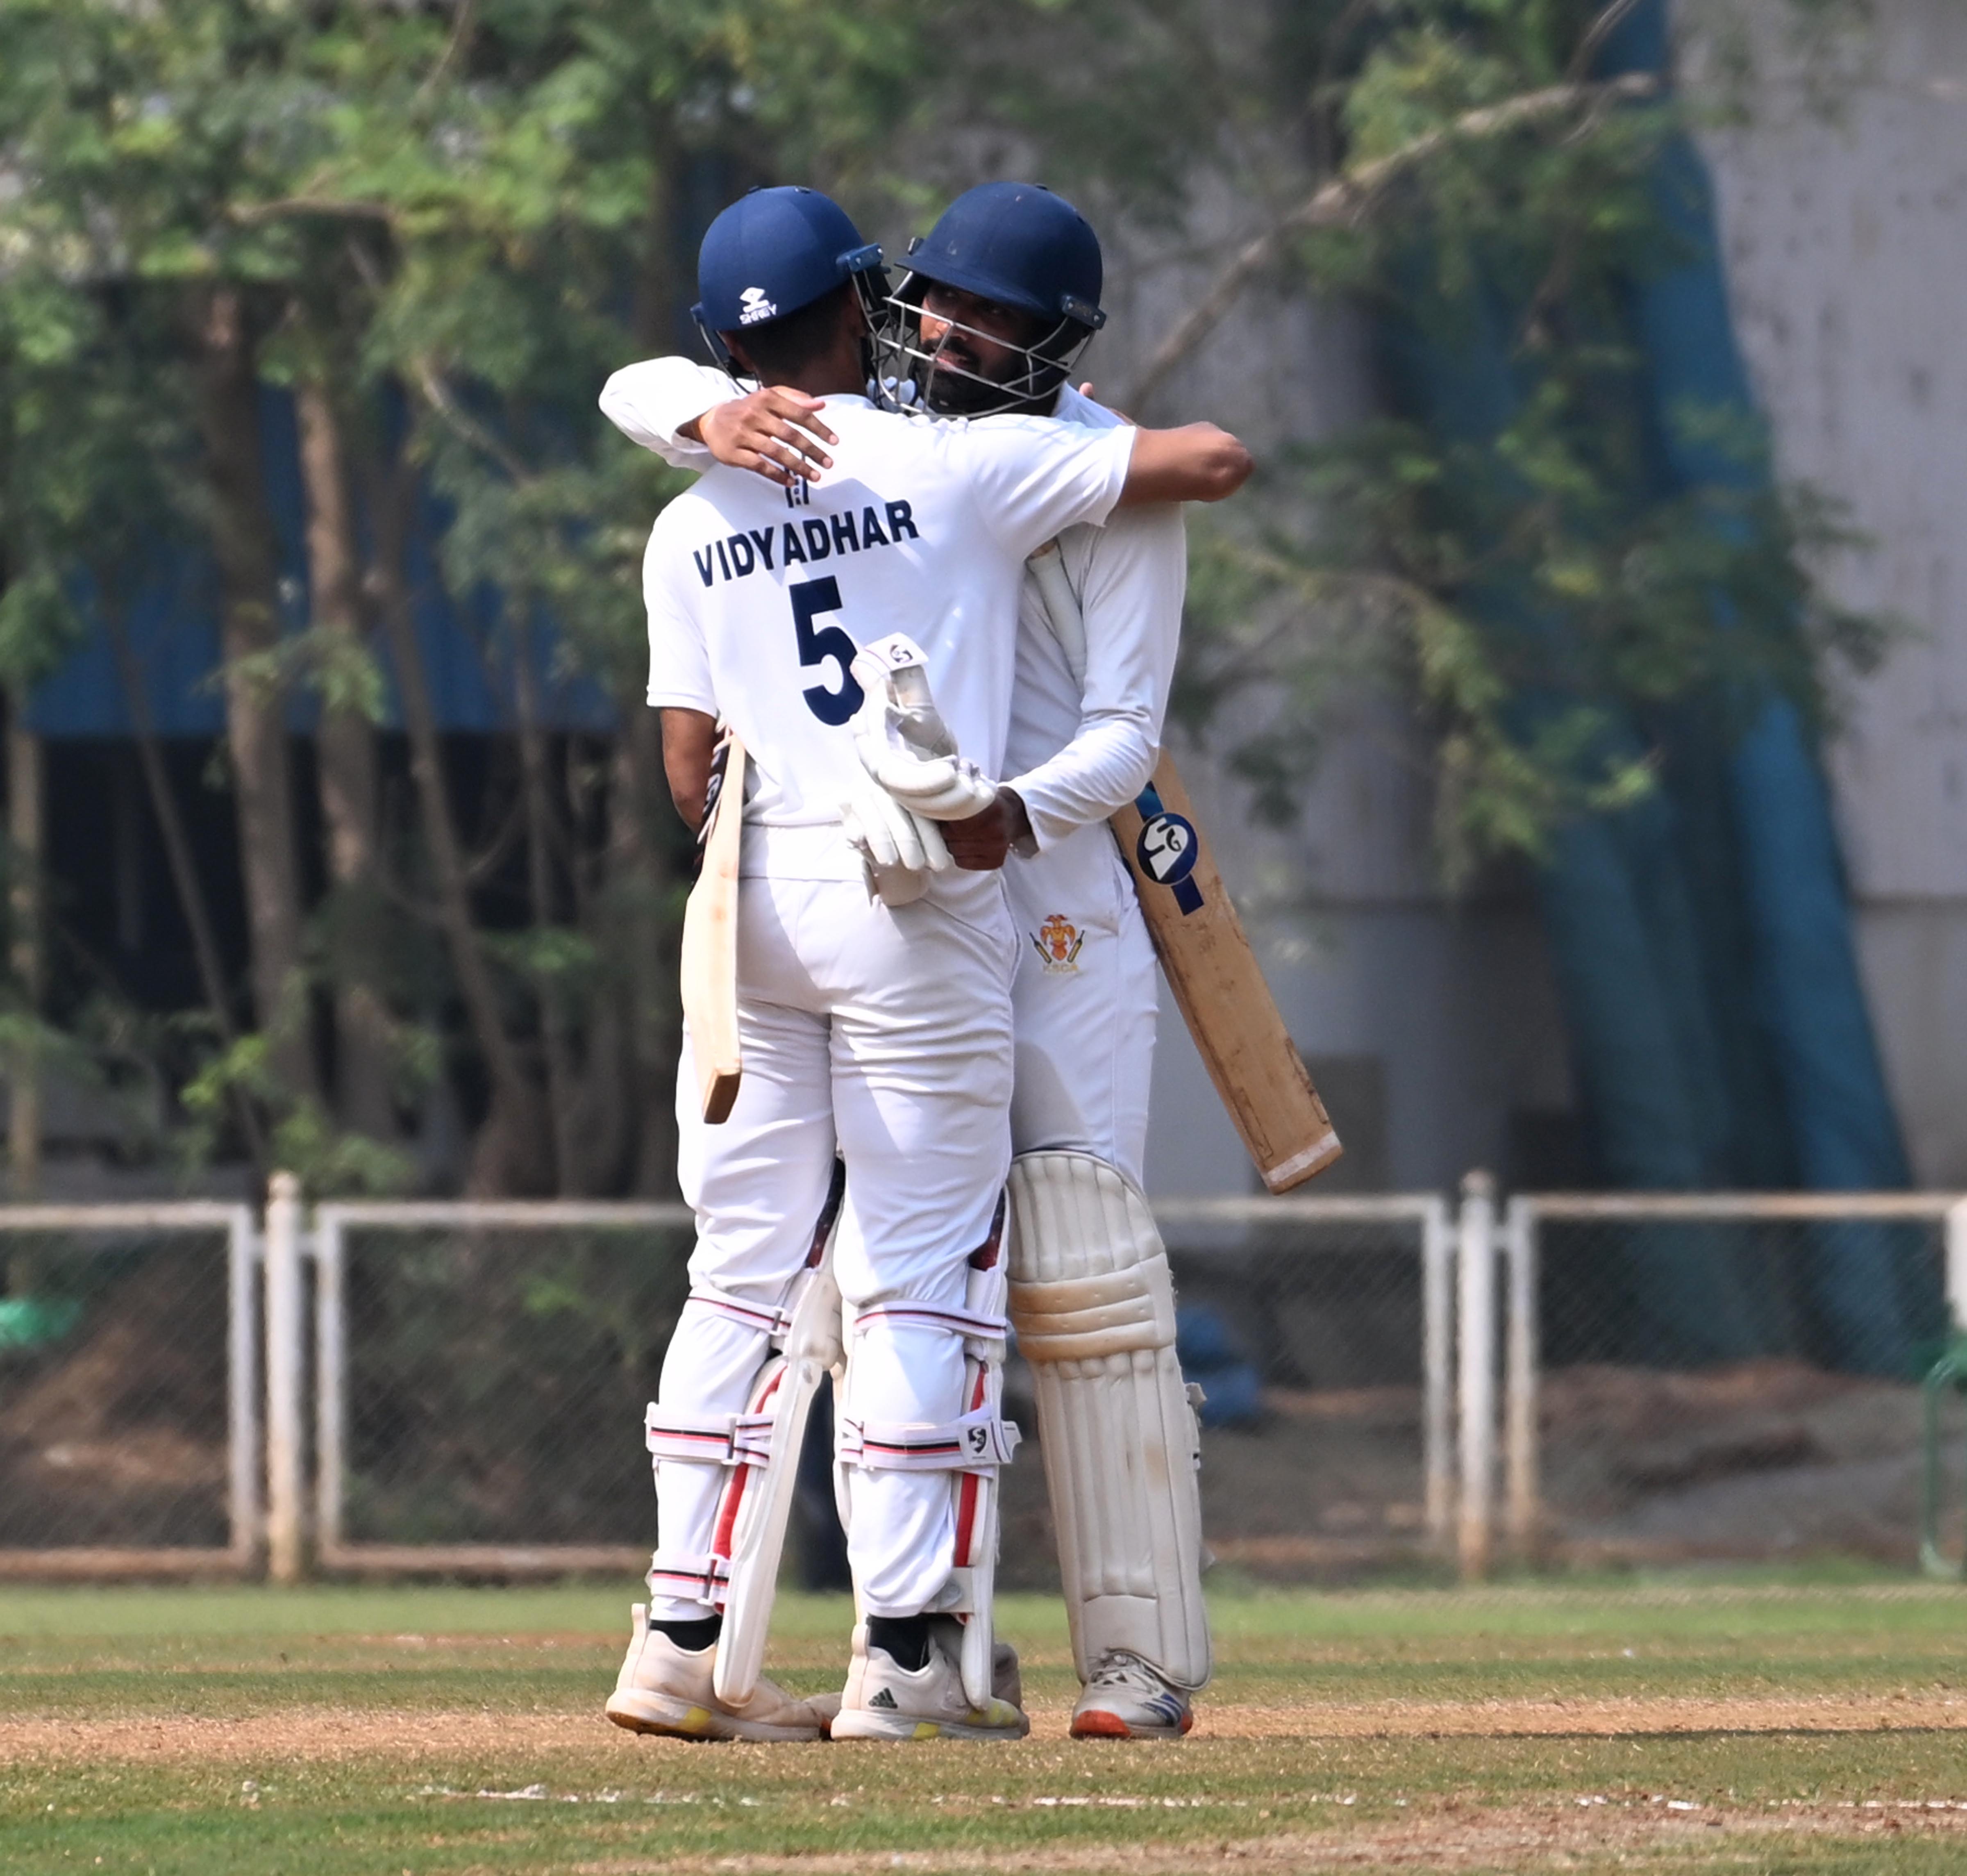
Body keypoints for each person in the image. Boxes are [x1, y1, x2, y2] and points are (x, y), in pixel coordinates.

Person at [600, 183, 1250, 1744]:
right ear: (879, 302)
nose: (963, 332)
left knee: (1009, 1258)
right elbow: (1217, 458)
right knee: (902, 1281)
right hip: (914, 901)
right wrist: (707, 408)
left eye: (1001, 318)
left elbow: (1122, 726)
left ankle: (1111, 1659)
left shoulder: (708, 515)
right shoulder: (939, 455)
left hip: (916, 886)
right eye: (943, 302)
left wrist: (1014, 811)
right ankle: (885, 1652)